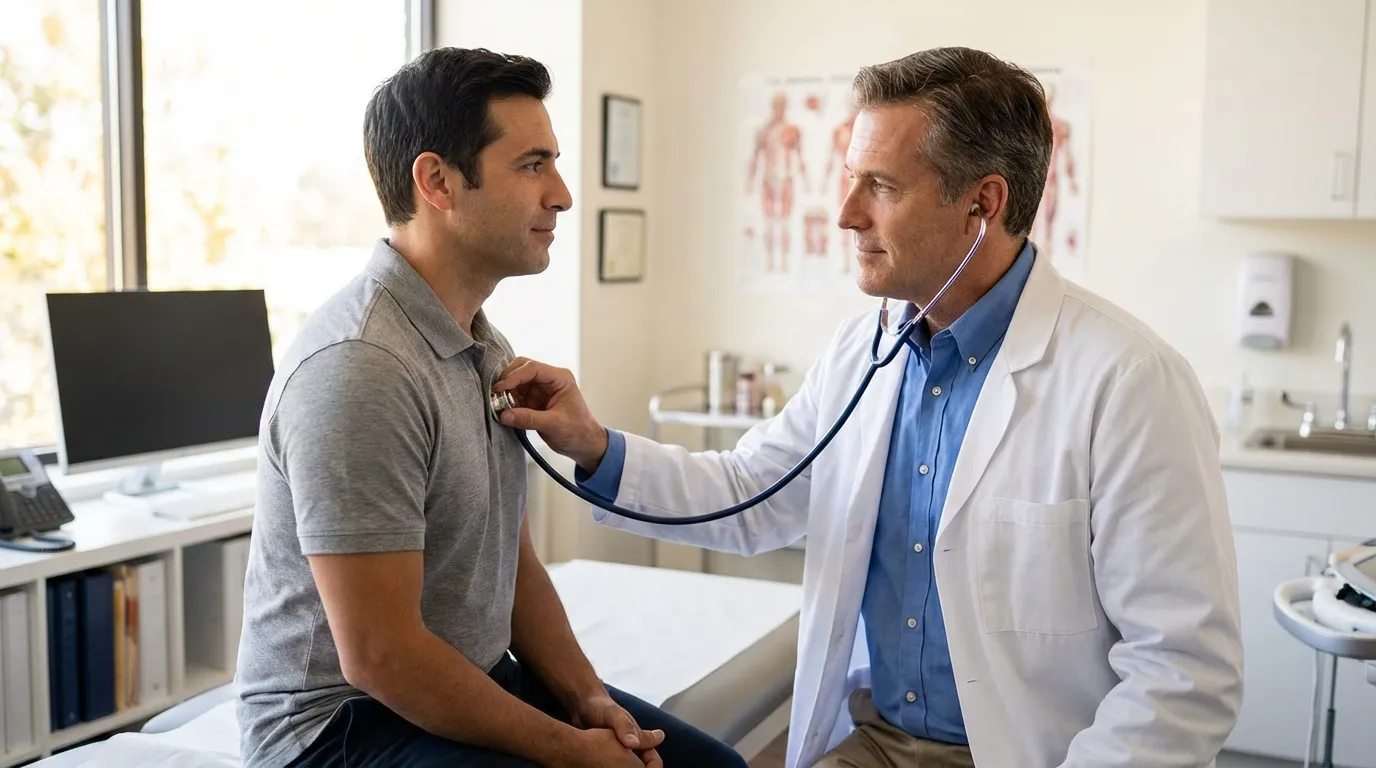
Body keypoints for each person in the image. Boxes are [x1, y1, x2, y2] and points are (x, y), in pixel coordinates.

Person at [493, 47, 1244, 768]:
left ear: (983, 204)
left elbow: (1183, 671)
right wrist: (592, 444)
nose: (845, 214)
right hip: (876, 744)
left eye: (880, 186)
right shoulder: (865, 351)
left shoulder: (1129, 381)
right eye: (850, 180)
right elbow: (751, 491)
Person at [233, 47, 750, 768]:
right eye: (533, 165)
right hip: (342, 729)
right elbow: (380, 656)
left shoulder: (482, 343)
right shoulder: (360, 369)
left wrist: (587, 697)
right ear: (437, 181)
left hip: (463, 678)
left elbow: (510, 561)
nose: (563, 195)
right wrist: (571, 753)